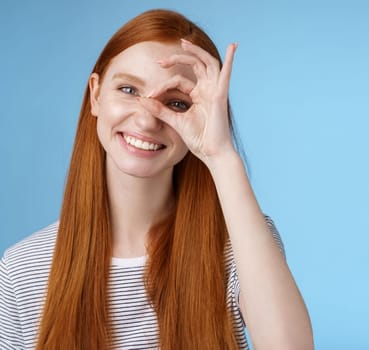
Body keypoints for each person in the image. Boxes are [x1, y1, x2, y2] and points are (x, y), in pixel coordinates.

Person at [0, 9, 313, 350]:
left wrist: (221, 155)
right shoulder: (23, 270)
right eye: (129, 89)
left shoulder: (241, 242)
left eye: (177, 103)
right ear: (95, 95)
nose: (148, 121)